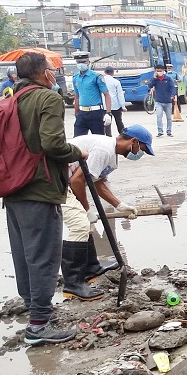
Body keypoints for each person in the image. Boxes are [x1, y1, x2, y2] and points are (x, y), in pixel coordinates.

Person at [4, 52, 85, 344]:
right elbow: (53, 143)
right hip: (39, 190)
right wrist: (77, 152)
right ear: (42, 73)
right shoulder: (47, 99)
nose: (54, 73)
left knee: (24, 254)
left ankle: (34, 309)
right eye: (51, 69)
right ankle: (39, 326)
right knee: (44, 258)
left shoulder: (11, 98)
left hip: (12, 190)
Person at [64, 126, 154, 300]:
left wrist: (120, 205)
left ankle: (91, 269)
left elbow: (96, 181)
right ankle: (72, 284)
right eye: (141, 149)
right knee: (80, 225)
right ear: (133, 142)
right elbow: (77, 180)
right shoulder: (104, 149)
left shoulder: (110, 152)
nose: (140, 154)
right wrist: (87, 209)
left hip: (66, 179)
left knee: (85, 225)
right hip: (55, 182)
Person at [71, 51, 112, 137]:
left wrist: (108, 113)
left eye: (83, 62)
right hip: (82, 113)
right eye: (79, 62)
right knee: (77, 140)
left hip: (96, 113)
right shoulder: (75, 78)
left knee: (99, 140)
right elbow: (77, 96)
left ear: (88, 62)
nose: (81, 64)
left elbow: (106, 94)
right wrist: (76, 113)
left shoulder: (96, 77)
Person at [149, 63, 177, 137]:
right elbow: (149, 85)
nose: (159, 72)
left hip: (168, 101)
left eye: (160, 71)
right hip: (159, 102)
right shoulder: (155, 80)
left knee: (169, 118)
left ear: (163, 71)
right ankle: (160, 131)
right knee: (159, 116)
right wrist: (154, 78)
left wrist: (172, 95)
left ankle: (169, 131)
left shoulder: (168, 79)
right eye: (157, 71)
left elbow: (172, 87)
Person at [103, 66, 126, 135]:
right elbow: (120, 95)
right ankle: (123, 135)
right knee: (119, 121)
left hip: (105, 106)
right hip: (115, 105)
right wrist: (123, 106)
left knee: (107, 122)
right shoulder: (116, 82)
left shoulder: (101, 81)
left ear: (105, 72)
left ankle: (108, 136)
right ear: (112, 73)